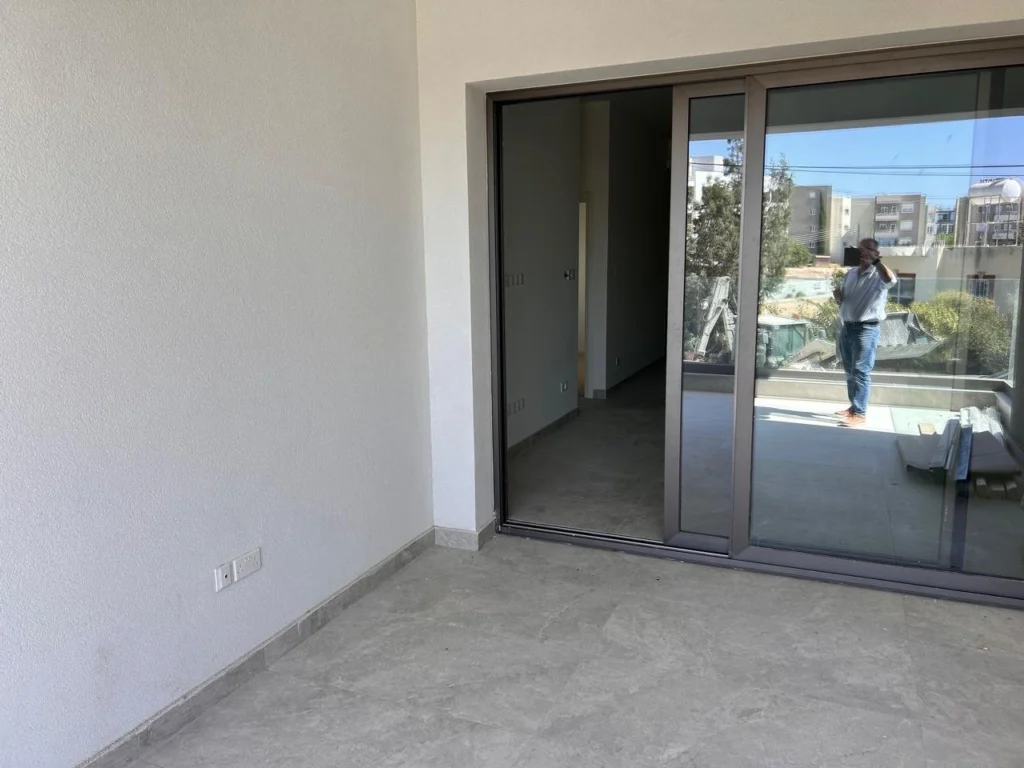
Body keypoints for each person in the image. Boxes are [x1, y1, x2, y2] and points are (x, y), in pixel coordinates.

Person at [832, 238, 897, 427]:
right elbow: (844, 297)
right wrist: (838, 296)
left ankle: (860, 413)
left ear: (877, 254)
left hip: (866, 329)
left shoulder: (879, 275)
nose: (862, 252)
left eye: (868, 249)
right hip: (847, 327)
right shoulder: (851, 273)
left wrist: (875, 262)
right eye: (860, 248)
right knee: (850, 371)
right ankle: (853, 407)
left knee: (861, 371)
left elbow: (890, 280)